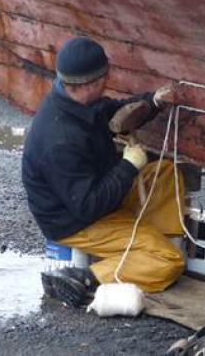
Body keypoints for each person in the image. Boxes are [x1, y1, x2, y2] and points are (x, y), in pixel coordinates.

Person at [22, 36, 185, 307]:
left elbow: (115, 113)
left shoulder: (78, 101)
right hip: (75, 220)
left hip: (95, 193)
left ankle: (143, 248)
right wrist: (128, 165)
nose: (108, 81)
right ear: (91, 83)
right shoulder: (60, 139)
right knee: (169, 261)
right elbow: (88, 207)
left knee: (164, 172)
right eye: (105, 77)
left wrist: (153, 102)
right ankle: (85, 276)